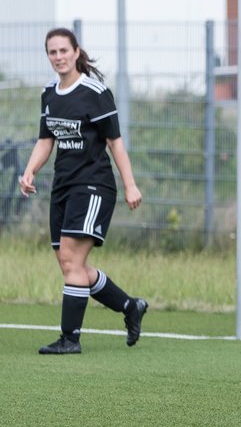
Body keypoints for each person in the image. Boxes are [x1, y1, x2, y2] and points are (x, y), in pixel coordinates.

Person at [18, 27, 148, 355]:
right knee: (71, 265)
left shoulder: (95, 92)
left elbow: (115, 143)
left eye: (64, 50)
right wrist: (30, 170)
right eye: (53, 52)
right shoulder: (49, 94)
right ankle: (131, 306)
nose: (59, 57)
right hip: (63, 186)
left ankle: (70, 339)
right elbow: (46, 140)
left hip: (93, 185)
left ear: (77, 52)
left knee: (71, 259)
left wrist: (130, 184)